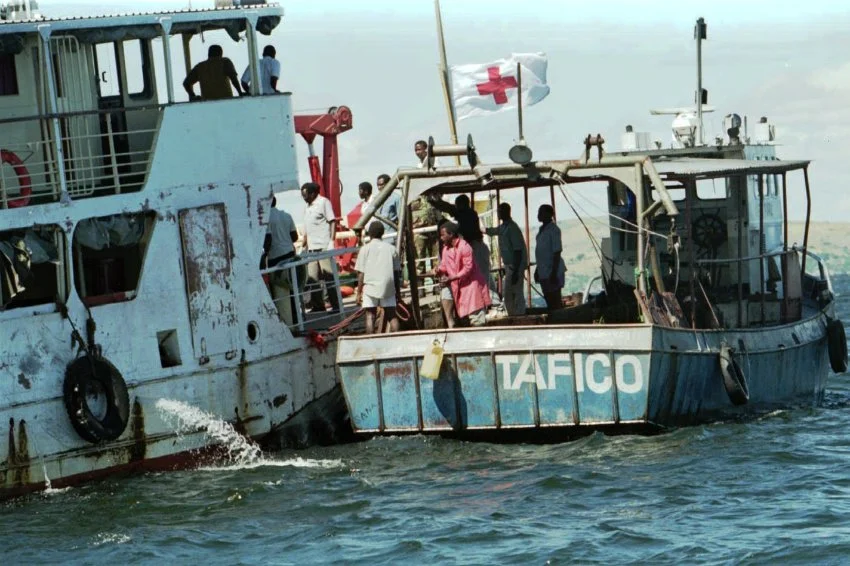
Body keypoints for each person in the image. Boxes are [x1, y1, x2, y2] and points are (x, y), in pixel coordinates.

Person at [427, 193, 496, 302]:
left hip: (477, 247)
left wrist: (434, 203)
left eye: (457, 205)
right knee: (483, 276)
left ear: (462, 205)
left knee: (481, 278)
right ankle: (489, 302)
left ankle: (490, 303)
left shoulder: (467, 214)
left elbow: (449, 208)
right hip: (477, 247)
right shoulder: (469, 214)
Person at [427, 221, 490, 328]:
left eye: (443, 235)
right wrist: (438, 270)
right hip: (459, 286)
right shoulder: (446, 250)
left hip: (471, 287)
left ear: (451, 235)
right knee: (464, 318)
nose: (441, 238)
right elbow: (444, 265)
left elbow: (468, 268)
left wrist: (452, 277)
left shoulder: (465, 247)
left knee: (477, 319)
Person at [355, 222, 402, 334]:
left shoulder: (364, 249)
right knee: (392, 315)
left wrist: (359, 292)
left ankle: (371, 343)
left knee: (370, 316)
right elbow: (396, 273)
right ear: (383, 233)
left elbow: (361, 273)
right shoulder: (391, 249)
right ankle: (399, 340)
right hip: (388, 287)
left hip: (370, 288)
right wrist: (398, 292)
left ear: (369, 234)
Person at [301, 182, 340, 313]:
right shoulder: (307, 207)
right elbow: (307, 229)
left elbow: (332, 221)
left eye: (305, 195)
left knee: (328, 277)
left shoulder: (323, 202)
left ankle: (336, 305)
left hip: (323, 246)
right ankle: (318, 305)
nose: (304, 198)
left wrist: (331, 240)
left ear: (312, 194)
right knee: (312, 277)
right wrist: (303, 246)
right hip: (311, 249)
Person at [485, 203, 527, 316]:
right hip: (510, 266)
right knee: (509, 293)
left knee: (516, 292)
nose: (498, 213)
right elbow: (493, 231)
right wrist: (481, 230)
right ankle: (514, 314)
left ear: (506, 212)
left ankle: (519, 315)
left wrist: (515, 271)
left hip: (514, 265)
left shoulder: (512, 228)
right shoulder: (504, 227)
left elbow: (518, 250)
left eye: (500, 211)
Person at [263, 196, 299, 324]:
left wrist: (263, 255)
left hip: (275, 257)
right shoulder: (286, 215)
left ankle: (285, 321)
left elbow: (268, 239)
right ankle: (297, 318)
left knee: (279, 292)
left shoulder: (265, 218)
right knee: (293, 288)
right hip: (289, 254)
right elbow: (294, 237)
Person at [534, 204, 566, 311]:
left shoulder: (554, 230)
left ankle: (559, 323)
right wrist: (537, 270)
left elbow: (557, 252)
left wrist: (553, 273)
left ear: (548, 214)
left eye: (541, 212)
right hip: (544, 271)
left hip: (552, 271)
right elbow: (541, 253)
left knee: (555, 301)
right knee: (549, 300)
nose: (538, 215)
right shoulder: (541, 230)